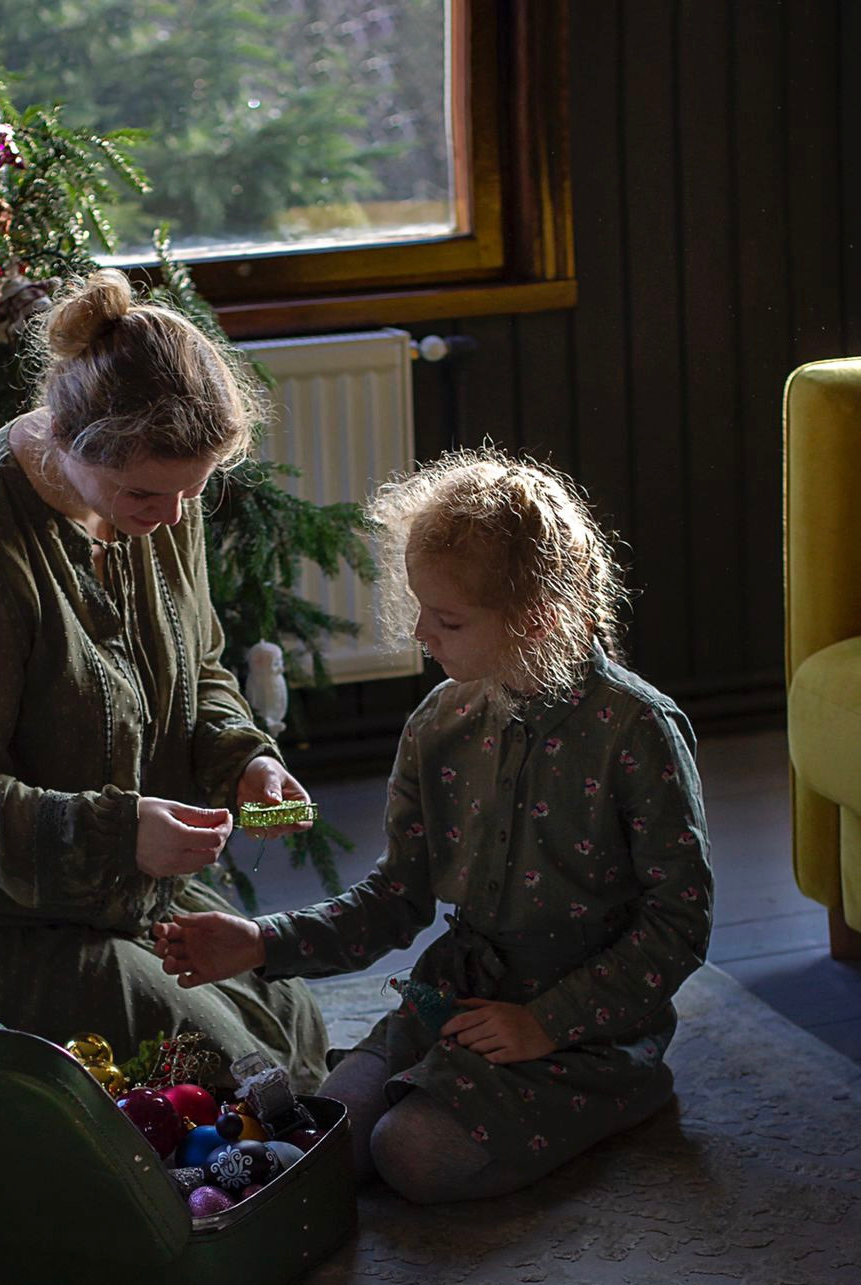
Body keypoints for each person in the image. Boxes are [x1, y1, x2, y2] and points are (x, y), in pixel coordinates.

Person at [153, 446, 713, 1202]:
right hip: (453, 1004)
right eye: (420, 608)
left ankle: (628, 1089)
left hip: (586, 1028)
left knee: (411, 1156)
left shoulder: (637, 731)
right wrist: (262, 942)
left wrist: (547, 1023)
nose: (421, 632)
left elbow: (679, 922)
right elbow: (398, 898)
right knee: (323, 1139)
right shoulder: (438, 725)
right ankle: (438, 1088)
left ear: (540, 619)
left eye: (446, 619)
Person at [0, 268, 327, 1085]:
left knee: (290, 1012)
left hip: (100, 892)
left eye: (194, 490)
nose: (170, 515)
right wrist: (120, 833)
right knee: (236, 1068)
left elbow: (197, 666)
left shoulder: (155, 493)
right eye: (146, 493)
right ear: (65, 439)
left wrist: (246, 760)